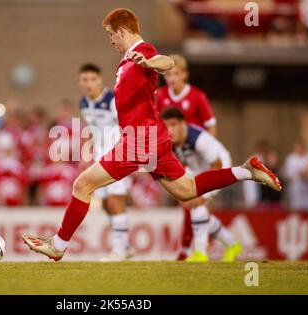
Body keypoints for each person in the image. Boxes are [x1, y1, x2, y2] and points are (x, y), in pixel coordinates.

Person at [22, 8, 282, 262]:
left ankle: (58, 246)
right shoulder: (126, 61)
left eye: (111, 35)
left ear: (122, 30)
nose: (111, 40)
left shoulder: (142, 52)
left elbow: (166, 61)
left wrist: (150, 62)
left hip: (140, 138)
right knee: (186, 190)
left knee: (82, 184)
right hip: (150, 137)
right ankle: (248, 171)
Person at [162, 107, 242, 262]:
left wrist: (206, 195)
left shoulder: (198, 139)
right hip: (197, 169)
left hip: (220, 166)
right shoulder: (170, 142)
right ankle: (232, 244)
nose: (169, 130)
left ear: (183, 124)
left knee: (198, 205)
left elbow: (217, 163)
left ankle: (201, 253)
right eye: (166, 126)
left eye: (173, 125)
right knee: (193, 208)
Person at [78, 63, 133, 261]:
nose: (89, 83)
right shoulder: (84, 103)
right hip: (99, 157)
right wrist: (87, 155)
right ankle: (125, 246)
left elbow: (127, 125)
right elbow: (91, 131)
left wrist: (128, 154)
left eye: (92, 79)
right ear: (80, 82)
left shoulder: (112, 99)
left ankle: (119, 250)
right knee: (104, 205)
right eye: (85, 79)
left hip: (118, 155)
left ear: (100, 80)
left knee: (114, 200)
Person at [156, 54, 217, 137]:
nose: (172, 78)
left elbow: (211, 125)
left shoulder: (198, 96)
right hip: (170, 142)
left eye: (176, 74)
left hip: (193, 143)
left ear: (184, 74)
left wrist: (209, 146)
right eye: (168, 74)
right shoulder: (159, 94)